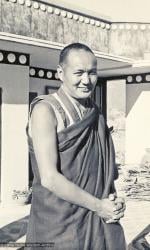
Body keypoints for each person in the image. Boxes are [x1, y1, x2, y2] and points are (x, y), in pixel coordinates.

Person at [26, 43, 126, 250]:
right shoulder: (45, 110)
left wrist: (112, 200)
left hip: (95, 220)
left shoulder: (94, 113)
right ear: (61, 73)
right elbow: (49, 178)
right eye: (79, 73)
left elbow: (104, 172)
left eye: (92, 73)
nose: (86, 81)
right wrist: (100, 207)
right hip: (57, 222)